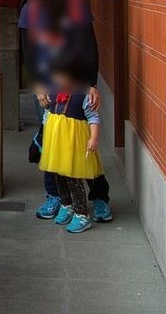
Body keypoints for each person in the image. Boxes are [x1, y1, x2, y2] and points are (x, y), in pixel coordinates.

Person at [19, 0, 112, 222]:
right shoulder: (29, 9)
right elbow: (30, 53)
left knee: (83, 143)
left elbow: (89, 45)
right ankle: (57, 197)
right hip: (48, 88)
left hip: (76, 85)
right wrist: (36, 86)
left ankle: (98, 197)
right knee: (51, 144)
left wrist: (92, 83)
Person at [40, 49, 104, 233]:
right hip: (56, 144)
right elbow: (48, 115)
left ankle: (81, 214)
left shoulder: (84, 95)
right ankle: (66, 205)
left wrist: (93, 137)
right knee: (59, 177)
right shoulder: (51, 92)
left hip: (74, 146)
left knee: (74, 179)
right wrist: (46, 135)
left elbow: (93, 117)